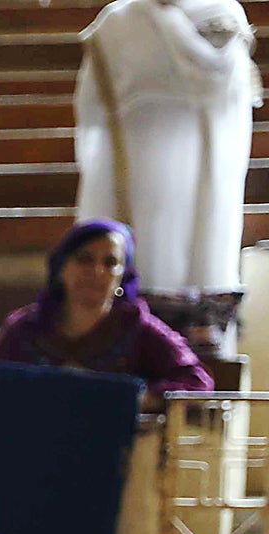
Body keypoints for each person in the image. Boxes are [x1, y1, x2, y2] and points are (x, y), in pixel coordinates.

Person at [75, 0, 257, 332]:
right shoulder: (118, 20)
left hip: (175, 165)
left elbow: (90, 112)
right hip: (143, 166)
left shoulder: (219, 14)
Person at [0, 219, 215, 406]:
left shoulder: (137, 328)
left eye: (110, 262)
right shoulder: (25, 328)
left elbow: (197, 382)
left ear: (122, 276)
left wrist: (138, 397)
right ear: (61, 268)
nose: (97, 271)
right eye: (84, 259)